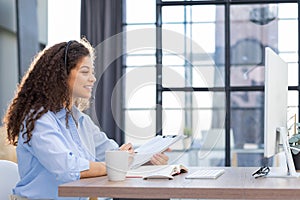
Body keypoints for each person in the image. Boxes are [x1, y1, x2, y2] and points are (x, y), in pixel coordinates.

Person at [2, 38, 169, 200]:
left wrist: (148, 159)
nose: (93, 78)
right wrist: (115, 165)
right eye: (84, 72)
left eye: (92, 72)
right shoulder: (39, 120)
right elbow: (67, 168)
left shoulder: (81, 121)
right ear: (62, 75)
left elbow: (112, 153)